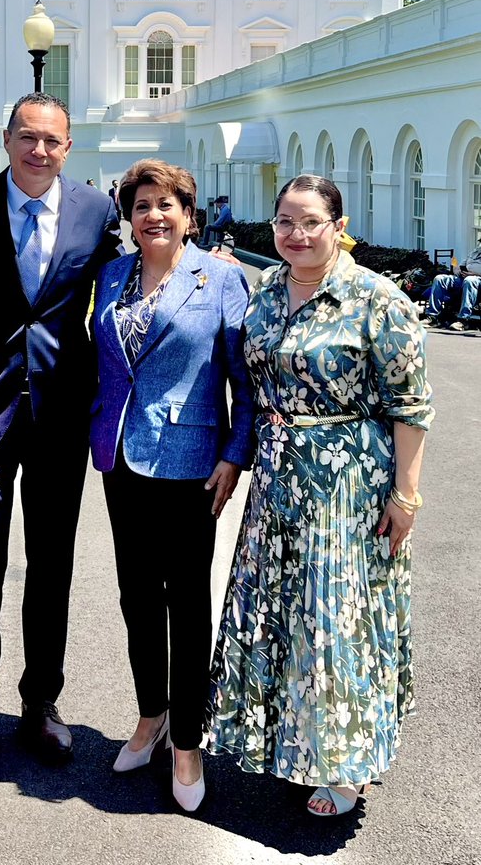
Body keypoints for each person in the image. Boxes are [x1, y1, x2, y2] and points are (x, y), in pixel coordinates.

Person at [207, 174, 433, 818]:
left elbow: (411, 405)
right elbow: (252, 388)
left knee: (335, 618)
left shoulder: (376, 298)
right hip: (278, 479)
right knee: (281, 612)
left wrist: (406, 496)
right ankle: (293, 743)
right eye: (285, 222)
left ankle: (344, 765)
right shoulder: (267, 294)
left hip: (348, 484)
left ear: (338, 225)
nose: (296, 234)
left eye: (311, 222)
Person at [0, 92, 122, 776]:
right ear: (6, 138)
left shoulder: (96, 211)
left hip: (59, 414)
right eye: (26, 136)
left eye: (51, 140)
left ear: (67, 147)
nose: (37, 150)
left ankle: (41, 703)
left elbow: (130, 278)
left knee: (51, 566)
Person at [90, 160, 254, 813]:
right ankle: (149, 716)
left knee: (186, 604)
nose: (152, 216)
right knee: (136, 597)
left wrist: (234, 455)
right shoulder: (109, 275)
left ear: (189, 214)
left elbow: (246, 378)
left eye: (166, 205)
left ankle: (186, 741)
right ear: (127, 218)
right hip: (120, 458)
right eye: (140, 206)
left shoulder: (219, 278)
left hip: (192, 464)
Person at [420, 237, 481, 330]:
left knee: (470, 280)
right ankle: (433, 317)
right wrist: (458, 269)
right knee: (439, 278)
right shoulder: (475, 252)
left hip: (477, 280)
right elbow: (462, 264)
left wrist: (475, 274)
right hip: (463, 277)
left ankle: (464, 320)